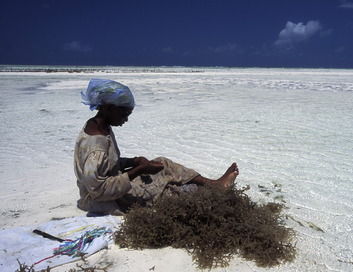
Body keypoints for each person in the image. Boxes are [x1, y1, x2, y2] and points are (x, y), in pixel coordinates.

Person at [74, 79, 239, 216]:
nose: (126, 120)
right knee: (167, 191)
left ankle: (213, 184)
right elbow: (98, 190)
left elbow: (107, 164)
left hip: (111, 186)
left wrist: (135, 161)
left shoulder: (100, 127)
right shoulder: (96, 146)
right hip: (101, 200)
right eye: (124, 114)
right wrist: (138, 170)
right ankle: (205, 192)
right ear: (109, 108)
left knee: (163, 163)